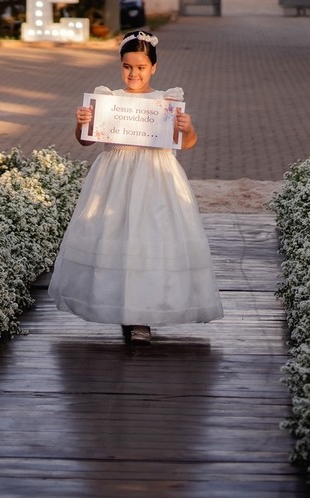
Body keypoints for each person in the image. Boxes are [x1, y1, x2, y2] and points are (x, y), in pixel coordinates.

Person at [49, 31, 223, 346]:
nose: (133, 74)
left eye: (141, 67)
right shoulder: (108, 99)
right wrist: (82, 122)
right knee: (115, 239)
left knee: (150, 241)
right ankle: (121, 306)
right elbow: (86, 140)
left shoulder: (166, 100)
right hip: (115, 177)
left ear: (153, 67)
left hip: (156, 177)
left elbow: (186, 143)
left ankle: (143, 313)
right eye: (127, 67)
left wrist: (187, 129)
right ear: (120, 65)